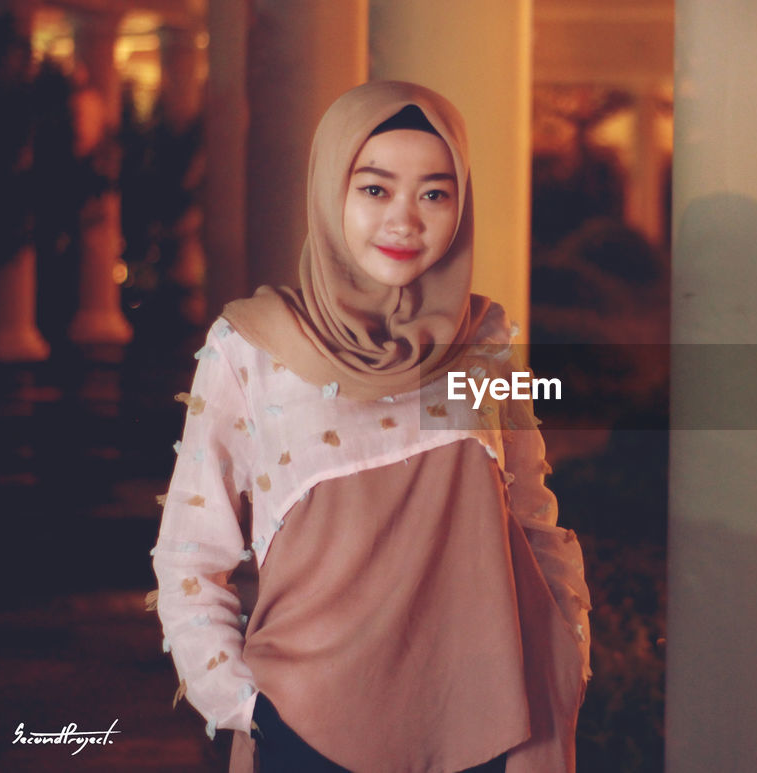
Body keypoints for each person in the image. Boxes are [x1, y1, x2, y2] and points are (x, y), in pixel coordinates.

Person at [150, 81, 592, 773]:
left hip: (488, 730)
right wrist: (248, 707)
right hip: (304, 733)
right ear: (332, 190)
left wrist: (566, 661)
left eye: (435, 193)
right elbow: (190, 556)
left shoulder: (479, 343)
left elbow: (533, 523)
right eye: (376, 189)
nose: (406, 221)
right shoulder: (254, 348)